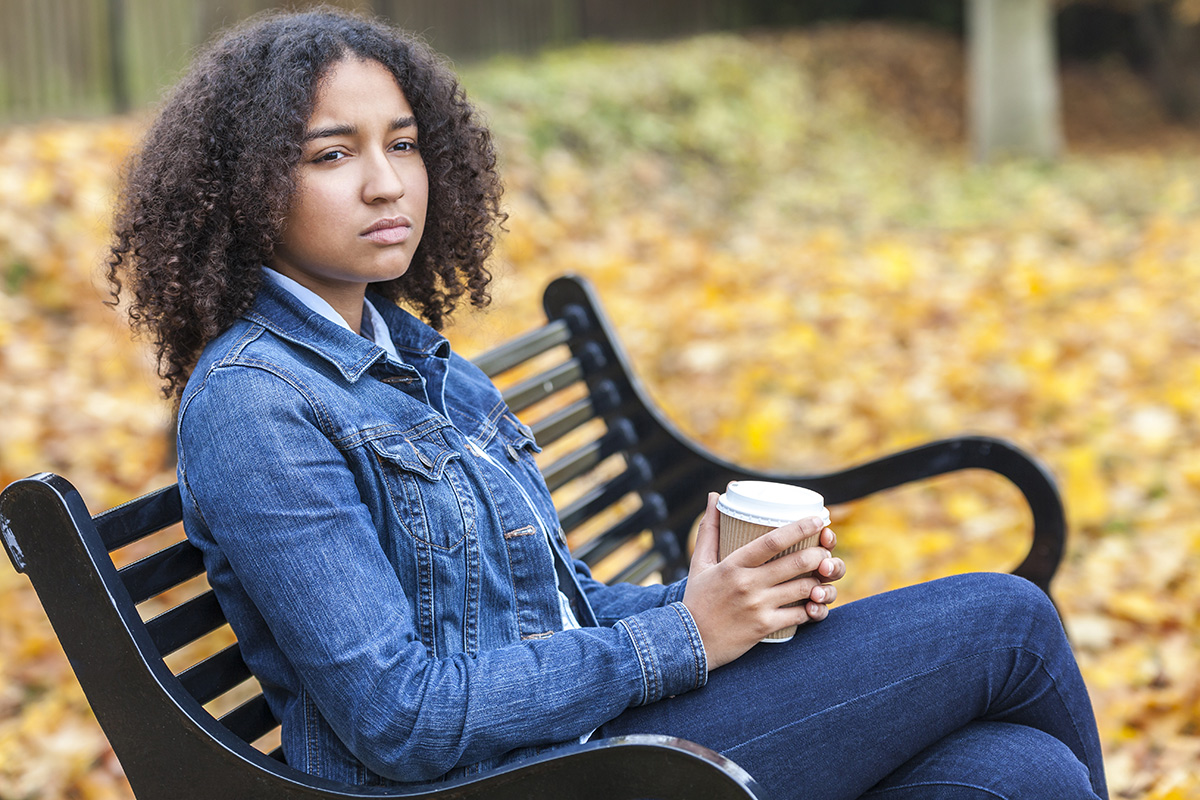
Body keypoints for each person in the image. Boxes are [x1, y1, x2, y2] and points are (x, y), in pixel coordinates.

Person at [106, 8, 1108, 799]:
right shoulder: (254, 405)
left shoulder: (429, 369)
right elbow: (399, 716)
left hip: (576, 750)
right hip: (497, 786)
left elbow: (549, 612)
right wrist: (687, 635)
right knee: (1008, 621)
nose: (385, 184)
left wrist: (711, 599)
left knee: (1022, 776)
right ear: (243, 189)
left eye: (402, 144)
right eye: (331, 154)